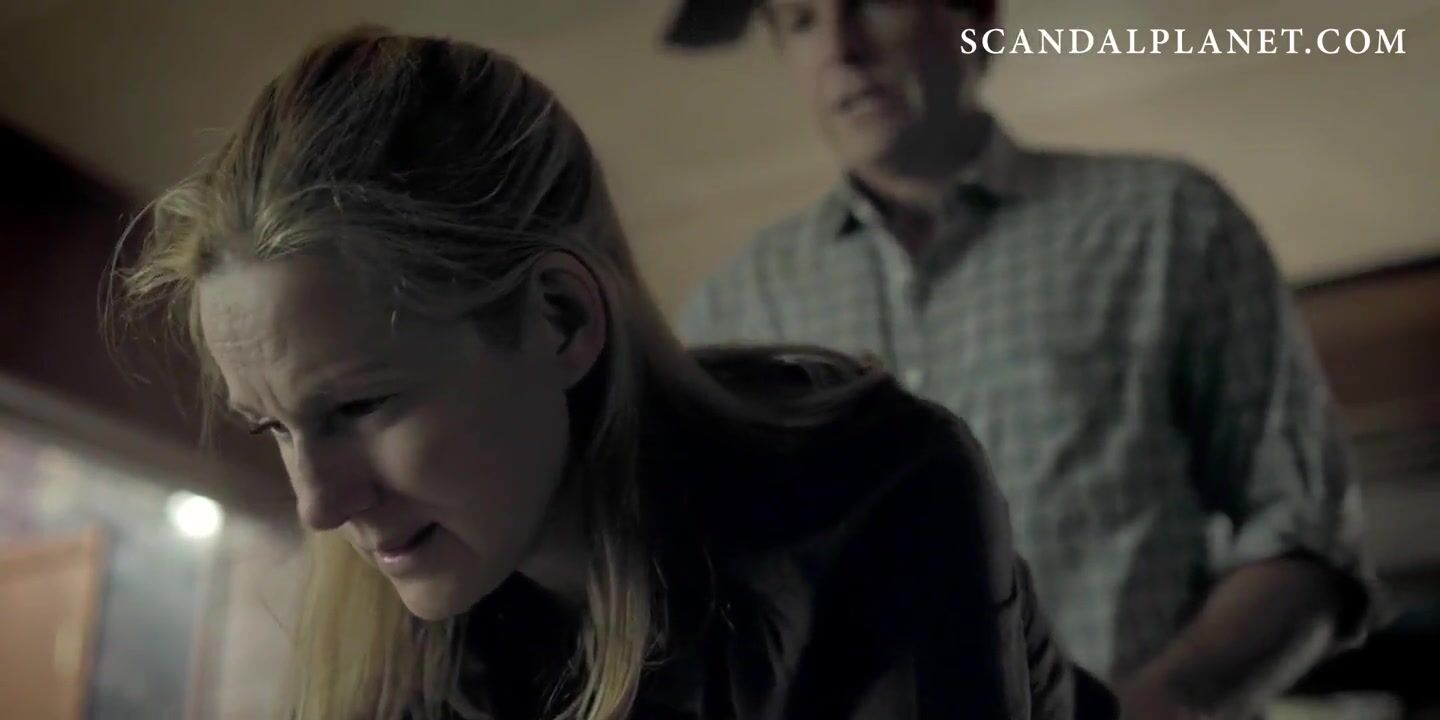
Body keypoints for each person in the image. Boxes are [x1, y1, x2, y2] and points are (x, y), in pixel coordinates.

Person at [110, 26, 1113, 720]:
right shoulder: (417, 631)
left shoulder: (879, 490)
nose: (318, 504)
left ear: (561, 319)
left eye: (363, 404)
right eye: (274, 427)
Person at [667, 1, 1383, 718]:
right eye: (800, 20)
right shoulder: (734, 309)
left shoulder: (1167, 221)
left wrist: (1159, 704)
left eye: (874, 3)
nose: (840, 49)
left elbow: (1307, 533)